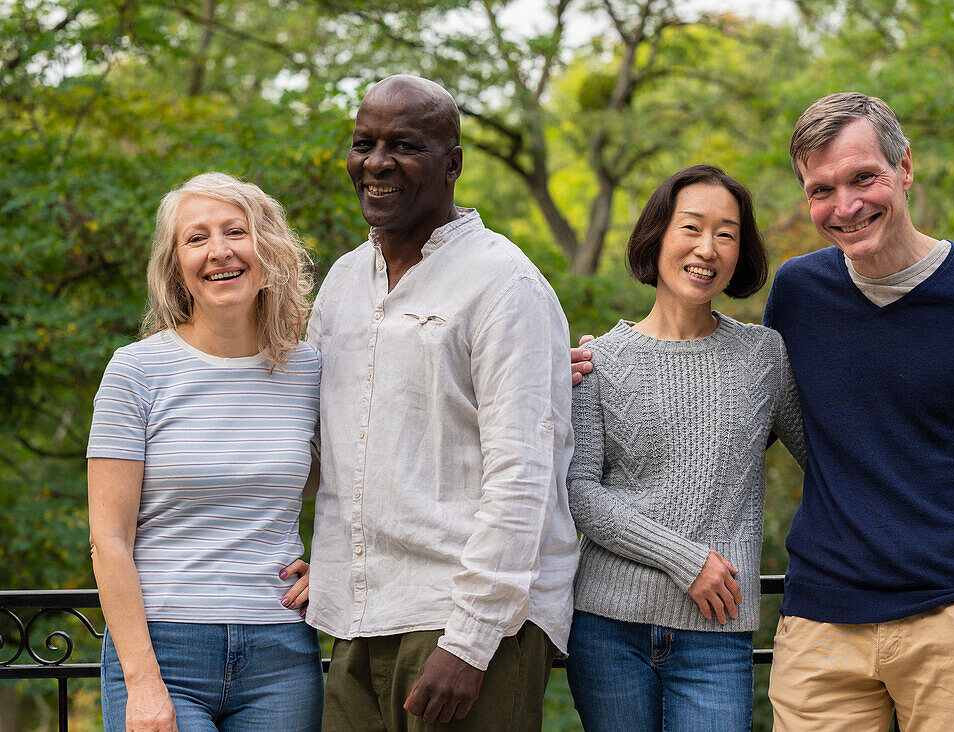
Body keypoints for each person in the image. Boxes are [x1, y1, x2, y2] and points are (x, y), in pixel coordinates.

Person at [573, 92, 954, 729]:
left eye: (864, 177)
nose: (845, 206)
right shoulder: (799, 293)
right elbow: (731, 420)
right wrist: (579, 381)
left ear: (904, 168)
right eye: (822, 189)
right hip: (819, 631)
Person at [304, 74, 579, 731]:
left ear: (452, 163)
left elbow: (524, 476)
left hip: (466, 624)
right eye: (363, 143)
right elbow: (318, 445)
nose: (376, 162)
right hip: (355, 615)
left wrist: (471, 640)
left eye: (404, 144)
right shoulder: (342, 282)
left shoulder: (504, 284)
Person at [564, 164, 805, 731]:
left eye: (726, 234)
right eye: (691, 228)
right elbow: (579, 492)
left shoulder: (764, 357)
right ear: (658, 236)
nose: (707, 248)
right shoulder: (599, 361)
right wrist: (685, 559)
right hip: (606, 628)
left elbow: (832, 459)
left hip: (716, 634)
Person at [88, 172, 324, 732]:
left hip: (281, 651)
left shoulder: (309, 369)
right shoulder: (136, 372)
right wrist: (143, 683)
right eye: (196, 238)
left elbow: (361, 476)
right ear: (176, 266)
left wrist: (338, 563)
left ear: (266, 250)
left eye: (235, 232)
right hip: (163, 649)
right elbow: (107, 538)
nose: (219, 251)